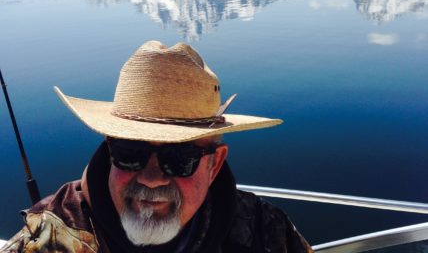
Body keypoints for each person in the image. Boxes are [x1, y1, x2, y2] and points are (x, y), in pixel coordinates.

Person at [1, 41, 312, 253]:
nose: (151, 179)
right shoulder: (47, 239)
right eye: (129, 153)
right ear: (110, 152)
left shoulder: (266, 232)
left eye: (179, 157)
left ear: (214, 165)